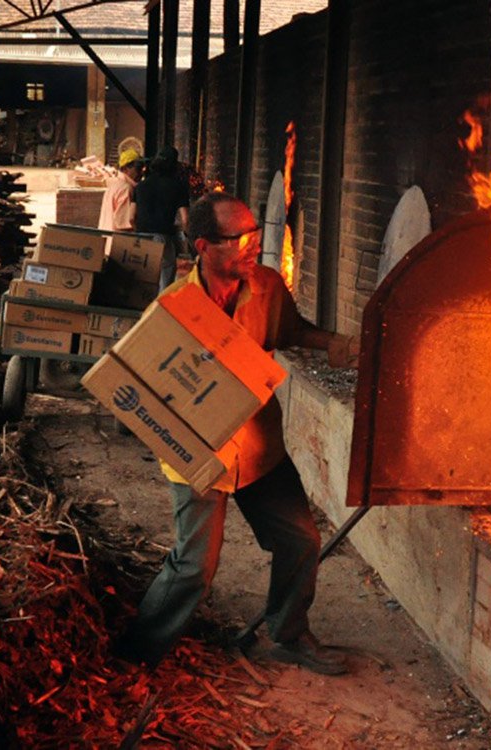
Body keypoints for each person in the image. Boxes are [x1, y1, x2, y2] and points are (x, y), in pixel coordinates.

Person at [118, 192, 359, 675]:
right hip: (200, 455)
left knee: (300, 540)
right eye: (238, 238)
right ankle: (134, 657)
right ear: (205, 246)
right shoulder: (174, 308)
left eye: (254, 233)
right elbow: (139, 385)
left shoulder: (267, 287)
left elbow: (289, 331)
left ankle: (289, 634)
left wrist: (333, 342)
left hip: (257, 447)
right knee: (194, 569)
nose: (253, 245)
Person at [133, 146, 190, 290]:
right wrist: (186, 238)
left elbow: (130, 217)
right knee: (165, 282)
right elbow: (185, 219)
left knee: (143, 281)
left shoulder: (140, 186)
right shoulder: (178, 186)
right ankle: (160, 310)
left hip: (141, 238)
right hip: (162, 238)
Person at [98, 148, 142, 232]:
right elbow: (123, 224)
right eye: (138, 167)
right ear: (126, 168)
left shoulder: (114, 185)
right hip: (117, 241)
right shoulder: (125, 188)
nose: (141, 172)